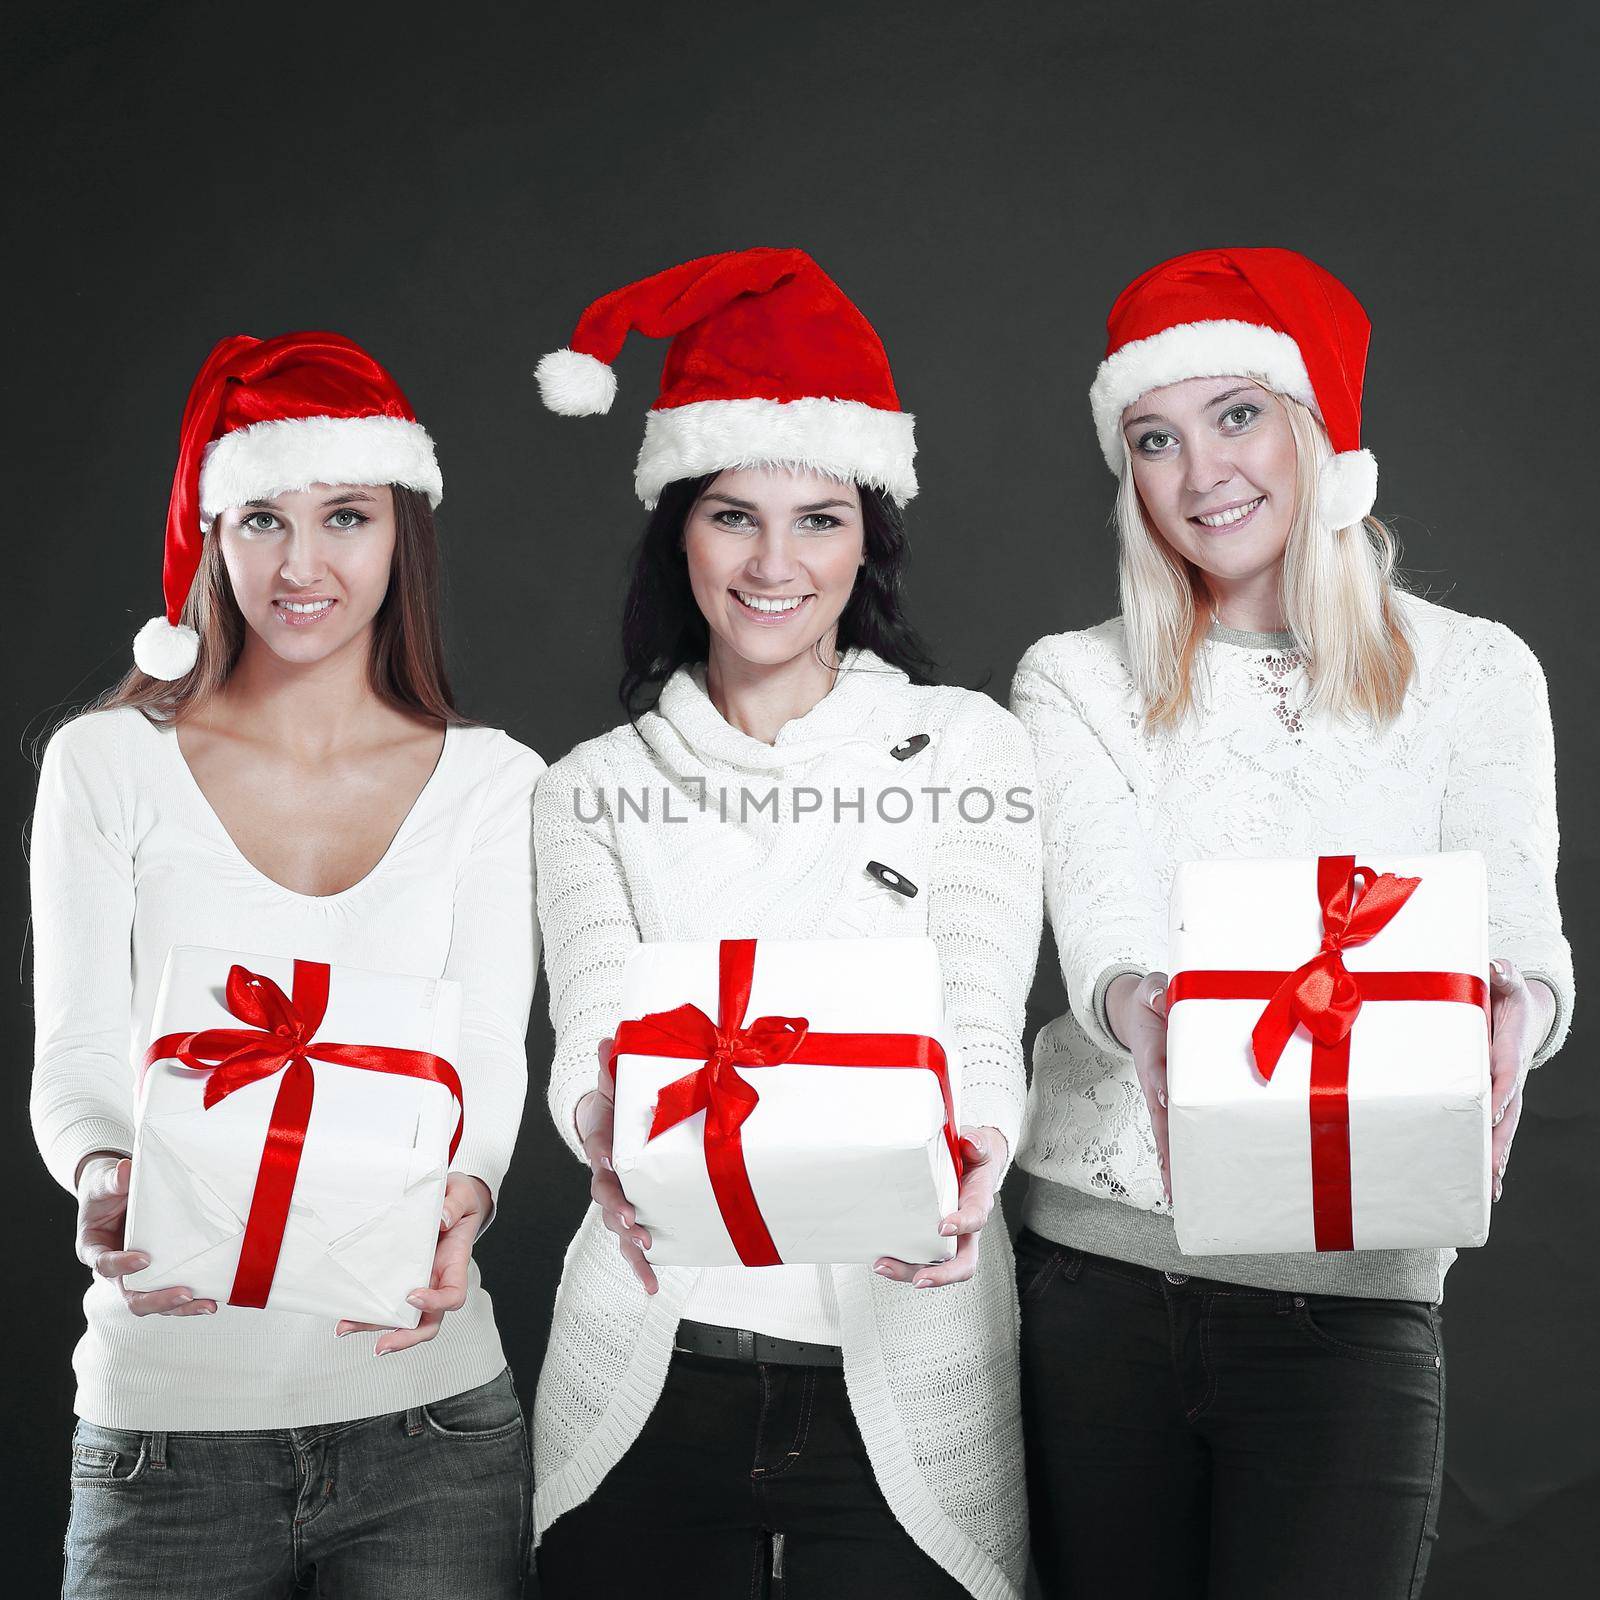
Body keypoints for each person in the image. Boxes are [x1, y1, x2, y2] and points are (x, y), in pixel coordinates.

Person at [1009, 246, 1574, 1599]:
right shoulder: (1075, 680)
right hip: (1101, 1281)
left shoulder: (1477, 673)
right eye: (1157, 437)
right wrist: (1145, 1007)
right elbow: (1106, 922)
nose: (1203, 473)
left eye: (1240, 415)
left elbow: (1523, 926)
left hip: (1359, 1287)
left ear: (1323, 432)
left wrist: (1515, 1010)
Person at [527, 248, 1042, 1599]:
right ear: (676, 531)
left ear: (868, 531)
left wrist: (983, 1143)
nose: (774, 563)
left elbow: (981, 1006)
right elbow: (591, 1023)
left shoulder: (969, 749)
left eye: (818, 517)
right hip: (656, 1374)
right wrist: (599, 1118)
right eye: (731, 517)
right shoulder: (592, 788)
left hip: (896, 1384)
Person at [30, 331, 543, 1598]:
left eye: (345, 517)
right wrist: (105, 1171)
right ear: (213, 535)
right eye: (261, 517)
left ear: (399, 532)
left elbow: (482, 1061)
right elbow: (80, 1055)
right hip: (165, 1429)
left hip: (428, 1425)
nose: (300, 565)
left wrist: (466, 1193)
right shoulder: (105, 765)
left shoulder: (494, 782)